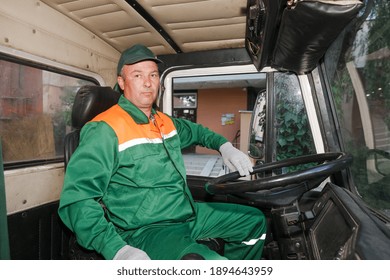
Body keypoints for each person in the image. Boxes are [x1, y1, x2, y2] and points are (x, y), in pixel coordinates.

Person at [58, 44, 267, 260]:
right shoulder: (104, 129)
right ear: (121, 82)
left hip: (186, 213)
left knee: (254, 222)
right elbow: (78, 199)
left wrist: (225, 147)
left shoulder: (163, 121)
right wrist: (116, 249)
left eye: (153, 75)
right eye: (137, 75)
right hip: (148, 229)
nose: (148, 83)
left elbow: (198, 132)